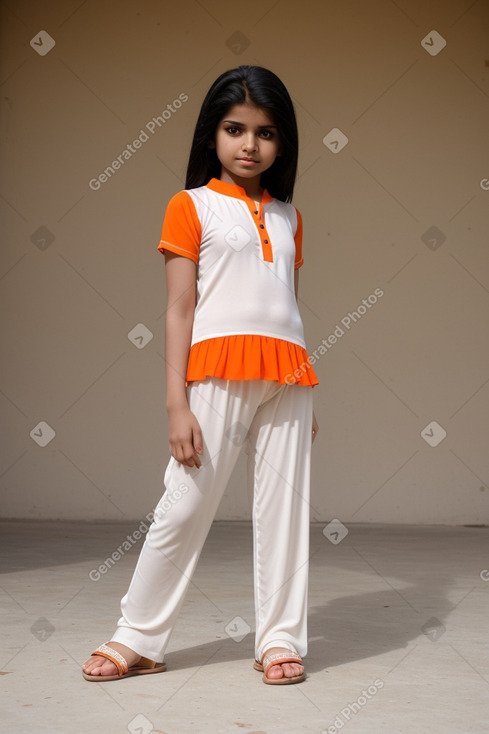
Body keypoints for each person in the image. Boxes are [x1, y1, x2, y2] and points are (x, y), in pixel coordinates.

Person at [82, 64, 319, 686]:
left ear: (282, 141)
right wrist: (175, 403)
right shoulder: (189, 206)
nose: (249, 144)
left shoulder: (291, 217)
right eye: (235, 129)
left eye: (265, 132)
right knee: (183, 507)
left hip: (289, 374)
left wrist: (307, 390)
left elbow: (288, 302)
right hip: (213, 370)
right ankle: (137, 636)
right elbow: (180, 307)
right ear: (211, 135)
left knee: (285, 515)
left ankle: (280, 640)